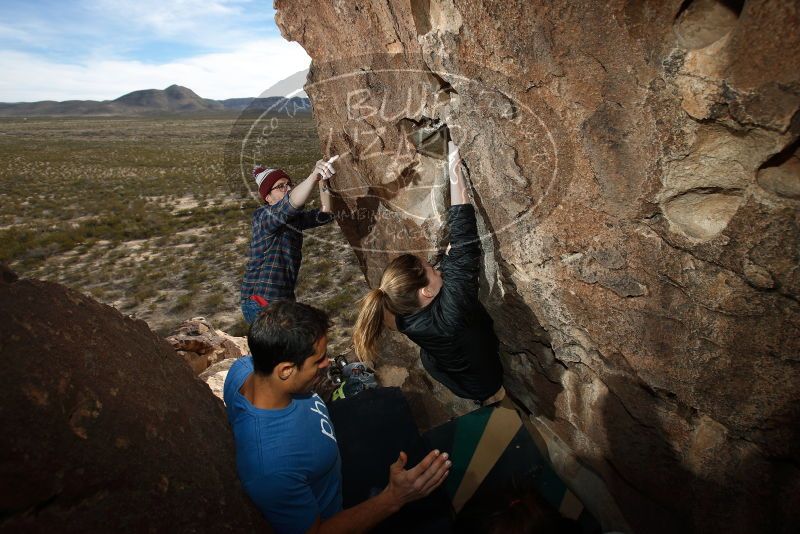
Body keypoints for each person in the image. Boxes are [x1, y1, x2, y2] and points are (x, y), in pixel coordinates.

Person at [223, 301, 451, 534]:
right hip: (345, 506)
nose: (328, 363)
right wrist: (394, 497)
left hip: (335, 454)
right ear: (285, 371)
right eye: (318, 360)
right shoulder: (271, 469)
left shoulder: (243, 369)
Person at [353, 141, 504, 404]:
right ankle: (492, 402)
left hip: (443, 367)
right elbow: (464, 238)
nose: (436, 267)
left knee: (430, 358)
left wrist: (446, 262)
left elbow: (453, 263)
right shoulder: (452, 311)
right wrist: (454, 162)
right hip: (482, 381)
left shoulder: (401, 315)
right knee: (492, 392)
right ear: (427, 292)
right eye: (431, 270)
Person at [240, 159, 337, 324]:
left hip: (282, 302)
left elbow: (326, 214)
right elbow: (291, 204)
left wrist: (322, 180)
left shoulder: (294, 219)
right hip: (261, 303)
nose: (289, 188)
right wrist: (312, 176)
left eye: (289, 184)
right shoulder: (262, 216)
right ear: (268, 197)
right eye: (281, 186)